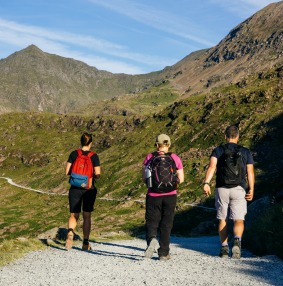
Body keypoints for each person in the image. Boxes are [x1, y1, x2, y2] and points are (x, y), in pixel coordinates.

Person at [203, 125, 254, 258]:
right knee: (238, 219)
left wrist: (206, 183)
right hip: (239, 189)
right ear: (238, 136)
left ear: (225, 136)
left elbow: (212, 166)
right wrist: (251, 188)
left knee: (223, 219)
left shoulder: (218, 150)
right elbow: (250, 172)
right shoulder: (246, 152)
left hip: (222, 189)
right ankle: (237, 240)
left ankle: (224, 248)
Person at [142, 134, 184, 261]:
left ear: (156, 145)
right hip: (170, 195)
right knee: (166, 223)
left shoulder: (150, 157)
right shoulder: (174, 157)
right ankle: (164, 253)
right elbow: (181, 179)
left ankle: (152, 240)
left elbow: (145, 177)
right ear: (169, 145)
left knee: (152, 221)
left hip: (153, 195)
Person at [65, 132, 101, 251]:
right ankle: (85, 243)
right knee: (87, 215)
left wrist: (77, 175)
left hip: (75, 188)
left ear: (81, 142)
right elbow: (97, 174)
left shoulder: (74, 154)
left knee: (73, 214)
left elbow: (67, 172)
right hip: (88, 189)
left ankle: (70, 233)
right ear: (91, 143)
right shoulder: (94, 156)